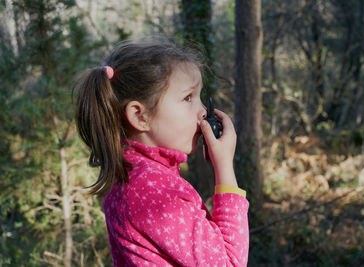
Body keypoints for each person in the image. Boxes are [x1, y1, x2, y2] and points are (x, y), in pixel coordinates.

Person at [74, 41, 249, 266]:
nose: (203, 111)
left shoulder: (135, 174)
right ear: (140, 116)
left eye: (199, 96)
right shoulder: (152, 189)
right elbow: (231, 263)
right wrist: (224, 166)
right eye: (188, 98)